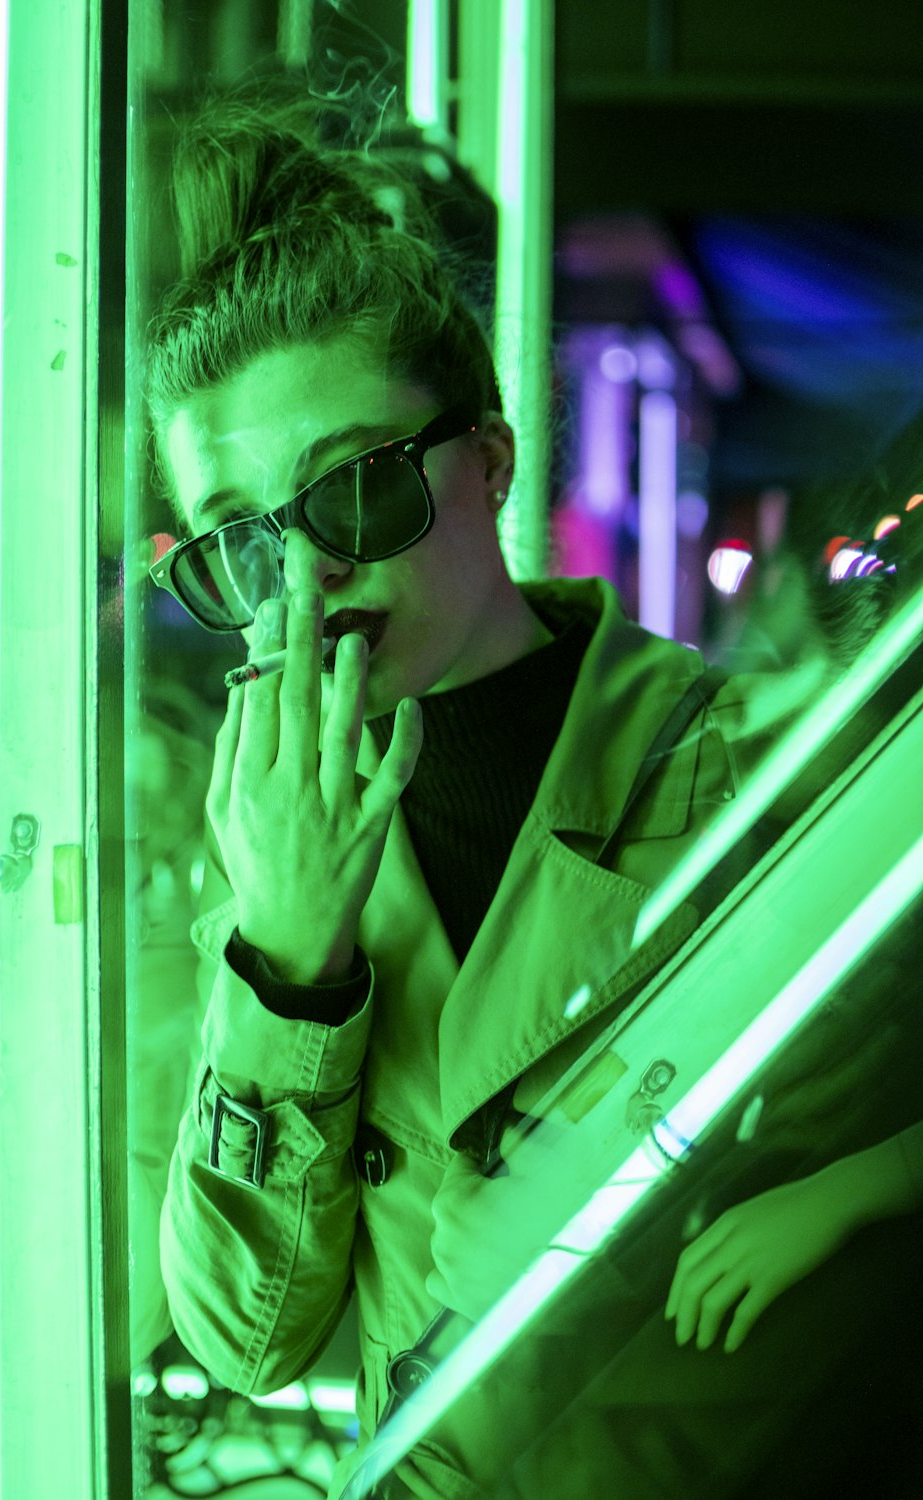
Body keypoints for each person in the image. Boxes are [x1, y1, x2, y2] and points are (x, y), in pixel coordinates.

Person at [148, 93, 921, 1498]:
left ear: (489, 464)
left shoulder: (723, 762)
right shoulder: (276, 831)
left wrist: (874, 1182)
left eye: (357, 495)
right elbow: (243, 1336)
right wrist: (285, 965)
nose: (306, 588)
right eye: (241, 549)